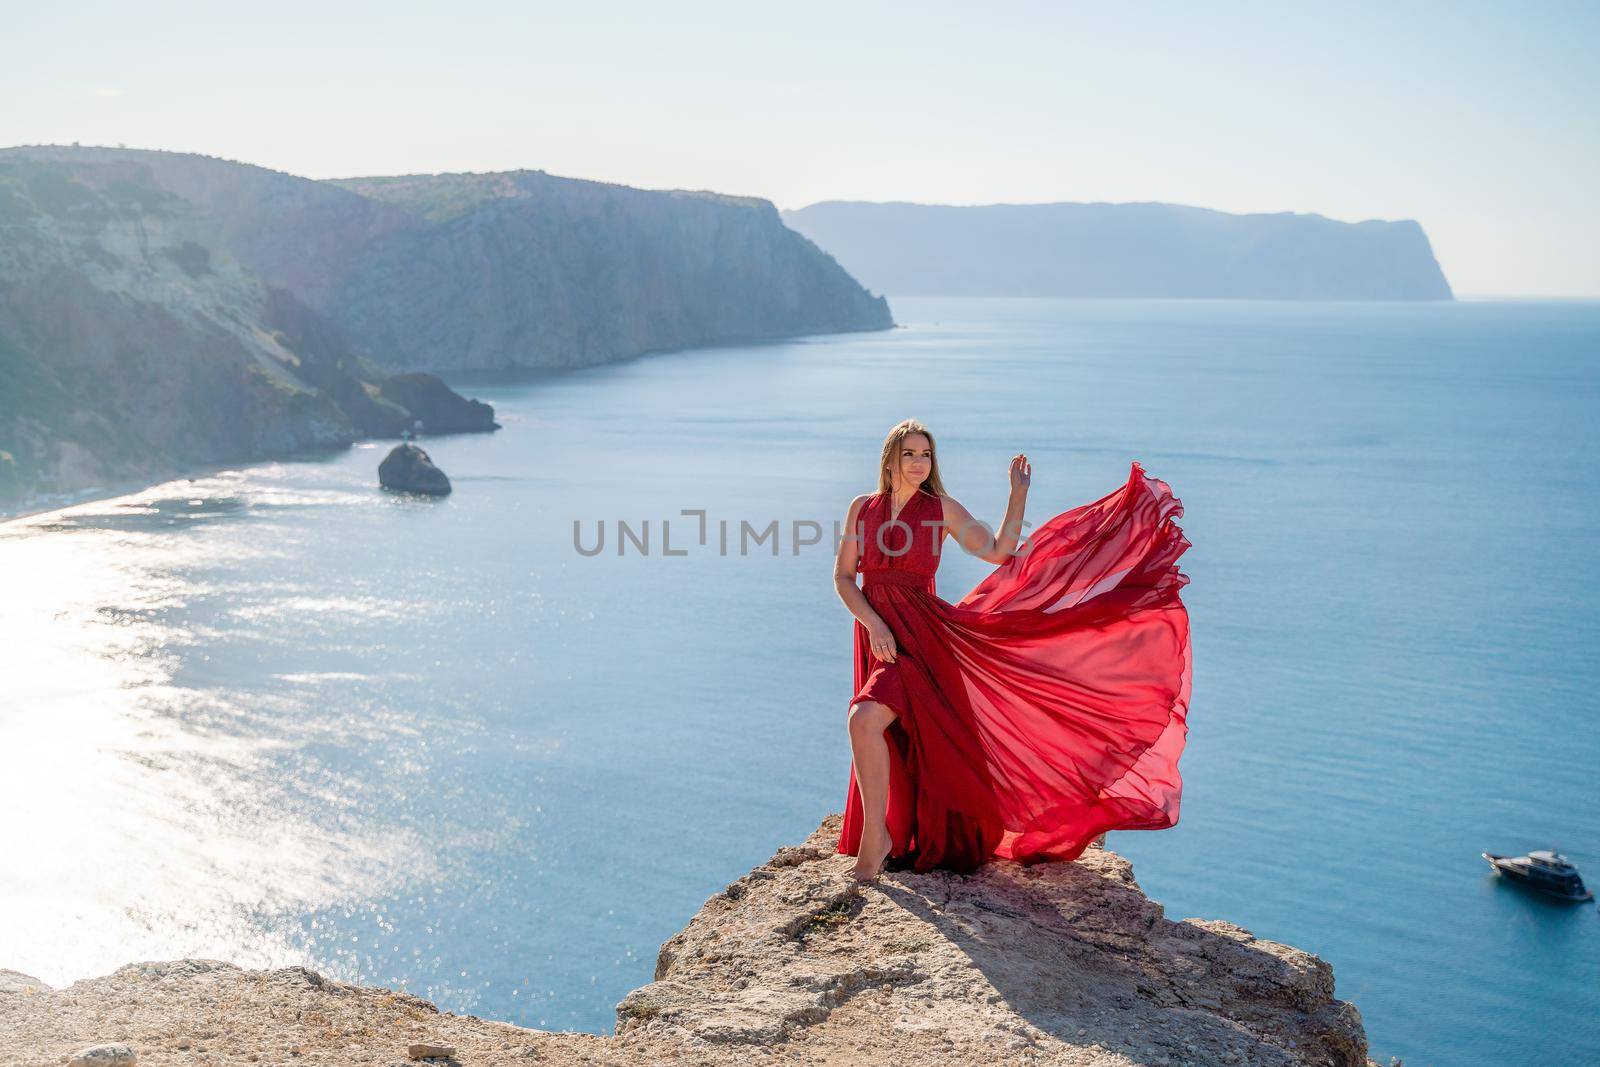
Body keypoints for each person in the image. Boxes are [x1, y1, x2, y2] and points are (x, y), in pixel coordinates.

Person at [833, 418, 1193, 883]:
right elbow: (844, 578)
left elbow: (1001, 552)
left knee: (864, 720)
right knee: (889, 734)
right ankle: (891, 833)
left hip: (922, 640)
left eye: (926, 454)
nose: (919, 463)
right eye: (909, 454)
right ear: (889, 458)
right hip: (880, 632)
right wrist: (874, 623)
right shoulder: (862, 509)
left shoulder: (940, 509)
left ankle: (875, 842)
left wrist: (1017, 495)